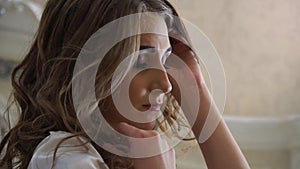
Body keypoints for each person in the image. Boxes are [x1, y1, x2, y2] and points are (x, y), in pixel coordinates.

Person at [0, 0, 250, 169]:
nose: (166, 84)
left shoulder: (112, 155)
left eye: (165, 60)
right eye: (140, 60)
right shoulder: (66, 158)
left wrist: (195, 87)